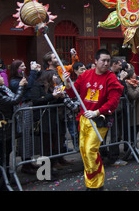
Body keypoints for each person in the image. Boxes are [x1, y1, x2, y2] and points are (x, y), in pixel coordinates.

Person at [64, 49, 123, 191]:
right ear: (96, 61)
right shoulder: (85, 75)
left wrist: (97, 112)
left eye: (108, 60)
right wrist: (67, 82)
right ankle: (91, 183)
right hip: (84, 119)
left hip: (100, 120)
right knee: (84, 151)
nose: (106, 63)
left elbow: (113, 101)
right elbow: (73, 92)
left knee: (91, 149)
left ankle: (97, 184)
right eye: (103, 60)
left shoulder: (111, 78)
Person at [30, 70, 68, 177]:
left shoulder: (52, 87)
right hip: (43, 120)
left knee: (53, 146)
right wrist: (52, 96)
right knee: (45, 147)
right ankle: (44, 173)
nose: (56, 77)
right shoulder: (38, 86)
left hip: (53, 119)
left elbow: (53, 102)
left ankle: (50, 169)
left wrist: (60, 98)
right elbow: (36, 101)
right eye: (54, 75)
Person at [8, 59, 40, 175]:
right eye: (21, 66)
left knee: (28, 135)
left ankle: (28, 160)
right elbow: (29, 85)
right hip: (22, 107)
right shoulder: (14, 81)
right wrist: (32, 72)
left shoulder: (22, 78)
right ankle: (25, 163)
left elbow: (32, 83)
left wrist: (36, 72)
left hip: (28, 105)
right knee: (24, 135)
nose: (24, 67)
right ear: (16, 68)